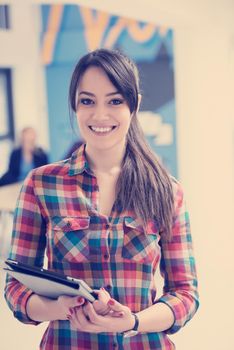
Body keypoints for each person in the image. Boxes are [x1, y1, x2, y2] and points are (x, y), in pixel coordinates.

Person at [4, 49, 199, 349]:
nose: (99, 115)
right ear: (75, 105)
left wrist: (133, 321)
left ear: (134, 106)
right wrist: (62, 308)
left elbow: (185, 294)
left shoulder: (166, 191)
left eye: (115, 101)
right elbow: (16, 288)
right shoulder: (41, 185)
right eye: (87, 101)